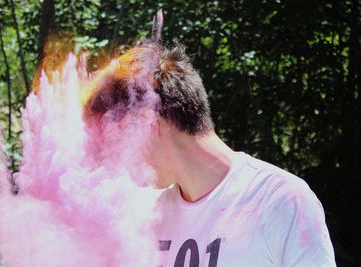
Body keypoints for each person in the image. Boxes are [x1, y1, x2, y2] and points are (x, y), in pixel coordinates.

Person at [87, 41, 336, 266]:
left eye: (112, 141)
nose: (113, 160)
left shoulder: (280, 201)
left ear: (145, 123)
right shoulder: (147, 215)